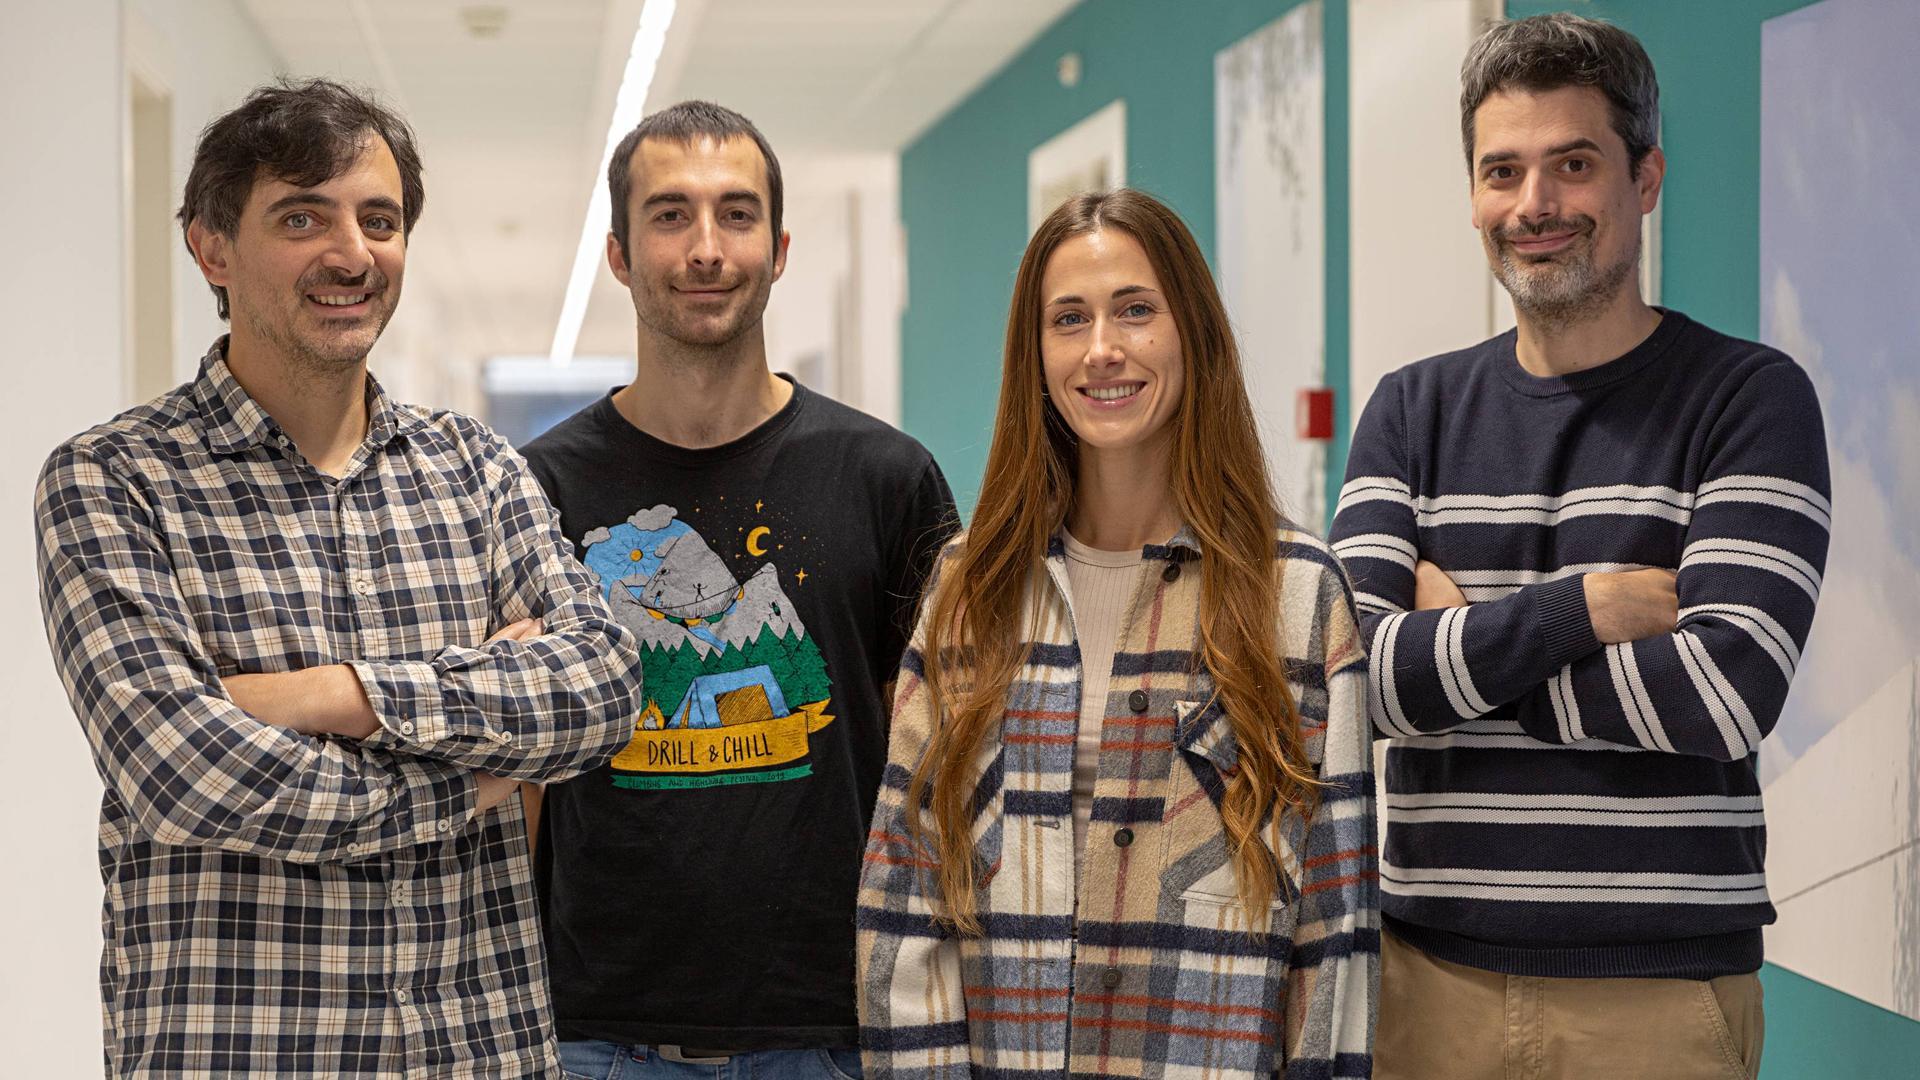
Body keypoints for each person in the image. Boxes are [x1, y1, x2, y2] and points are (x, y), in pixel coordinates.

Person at [34, 78, 642, 1076]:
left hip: (473, 1048)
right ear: (211, 247)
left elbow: (604, 688)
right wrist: (477, 777)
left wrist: (338, 696)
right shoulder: (113, 481)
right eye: (302, 217)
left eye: (379, 219)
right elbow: (185, 771)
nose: (352, 254)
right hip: (239, 1052)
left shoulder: (477, 468)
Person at [1330, 14, 1829, 1079]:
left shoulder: (1749, 399)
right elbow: (1353, 687)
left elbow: (1722, 695)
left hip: (1659, 1002)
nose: (1534, 205)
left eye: (1574, 164)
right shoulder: (1408, 412)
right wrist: (1584, 612)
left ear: (1645, 178)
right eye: (1500, 171)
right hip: (1428, 988)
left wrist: (1457, 647)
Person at [856, 189, 1377, 1080]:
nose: (1103, 349)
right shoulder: (969, 589)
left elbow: (1335, 932)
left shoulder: (1295, 595)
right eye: (1070, 319)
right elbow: (905, 899)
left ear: (1192, 334)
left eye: (1136, 310)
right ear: (1037, 355)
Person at [518, 100, 957, 1080]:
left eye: (736, 214)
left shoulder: (889, 480)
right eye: (670, 215)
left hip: (833, 1032)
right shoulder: (540, 489)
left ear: (780, 245)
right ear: (621, 255)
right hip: (595, 1033)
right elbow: (519, 783)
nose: (706, 247)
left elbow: (947, 767)